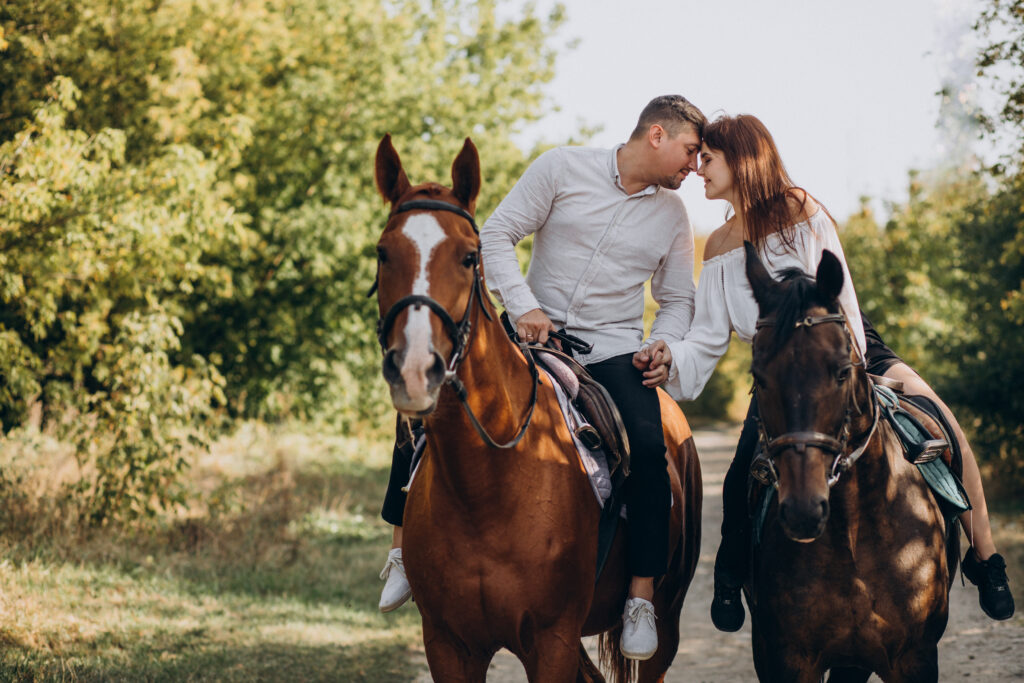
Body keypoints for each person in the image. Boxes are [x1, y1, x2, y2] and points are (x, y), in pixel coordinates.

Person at [639, 114, 1015, 633]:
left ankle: (985, 559)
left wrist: (851, 374)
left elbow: (843, 301)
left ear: (742, 159)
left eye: (709, 159)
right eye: (698, 158)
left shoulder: (800, 207)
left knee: (944, 425)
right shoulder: (721, 247)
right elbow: (705, 340)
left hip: (850, 352)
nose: (699, 169)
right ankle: (731, 575)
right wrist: (669, 362)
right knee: (739, 474)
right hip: (781, 377)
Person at [377, 94, 707, 662]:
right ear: (657, 135)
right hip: (525, 334)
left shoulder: (672, 216)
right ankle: (404, 553)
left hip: (612, 351)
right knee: (429, 409)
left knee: (650, 448)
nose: (694, 166)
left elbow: (677, 299)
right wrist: (525, 305)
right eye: (690, 150)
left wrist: (663, 345)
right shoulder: (561, 167)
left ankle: (640, 595)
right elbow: (498, 235)